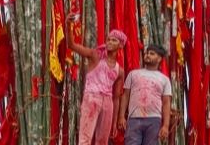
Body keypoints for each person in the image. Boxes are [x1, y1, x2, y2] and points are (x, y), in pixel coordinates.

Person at [66, 15, 127, 145]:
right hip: (92, 97)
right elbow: (72, 45)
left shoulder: (119, 71)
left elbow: (116, 98)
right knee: (85, 139)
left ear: (121, 45)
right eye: (109, 39)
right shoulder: (95, 56)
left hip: (108, 103)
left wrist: (115, 121)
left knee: (102, 141)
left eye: (114, 40)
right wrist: (68, 25)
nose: (109, 42)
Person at [120, 44, 173, 145]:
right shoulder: (133, 74)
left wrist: (165, 126)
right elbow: (125, 96)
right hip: (134, 119)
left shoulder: (164, 79)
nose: (147, 55)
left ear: (159, 59)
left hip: (154, 120)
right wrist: (121, 116)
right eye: (147, 53)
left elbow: (166, 103)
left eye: (152, 54)